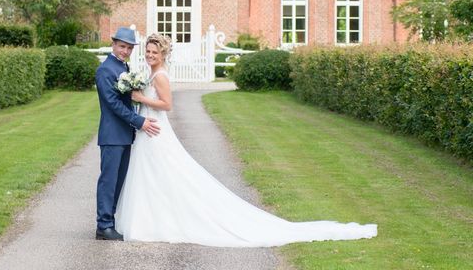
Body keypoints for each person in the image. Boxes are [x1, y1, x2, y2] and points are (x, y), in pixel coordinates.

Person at [115, 33, 377, 247]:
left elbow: (167, 104)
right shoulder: (149, 73)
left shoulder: (160, 75)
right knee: (157, 176)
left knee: (169, 174)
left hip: (157, 130)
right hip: (148, 129)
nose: (150, 55)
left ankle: (163, 220)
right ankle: (155, 219)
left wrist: (140, 99)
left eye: (154, 52)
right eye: (148, 52)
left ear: (163, 55)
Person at [95, 27, 161, 241]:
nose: (125, 51)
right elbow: (113, 103)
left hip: (125, 134)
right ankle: (103, 225)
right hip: (112, 135)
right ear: (113, 44)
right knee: (109, 180)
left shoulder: (123, 66)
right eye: (122, 46)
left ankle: (110, 223)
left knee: (119, 181)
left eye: (129, 48)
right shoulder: (106, 70)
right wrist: (139, 121)